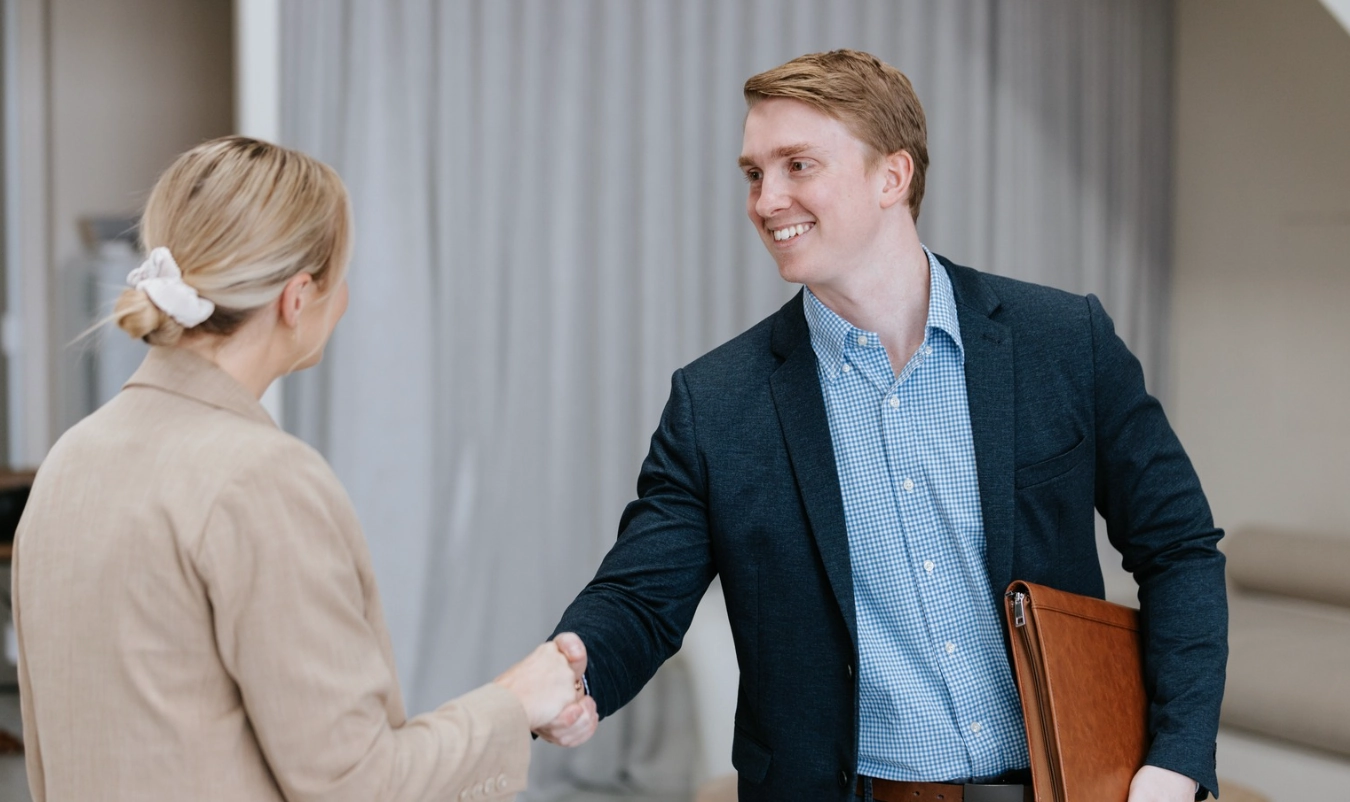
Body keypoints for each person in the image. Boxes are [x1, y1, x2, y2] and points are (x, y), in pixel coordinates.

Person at [544, 50, 1226, 801]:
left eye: (797, 165)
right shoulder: (717, 404)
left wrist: (1179, 759)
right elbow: (641, 596)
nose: (767, 200)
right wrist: (575, 665)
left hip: (1065, 780)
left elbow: (1180, 547)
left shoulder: (1064, 341)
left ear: (891, 177)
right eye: (753, 173)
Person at [12, 136, 596, 802]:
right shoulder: (260, 478)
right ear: (297, 298)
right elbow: (357, 786)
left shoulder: (67, 465)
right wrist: (516, 701)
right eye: (339, 277)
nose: (344, 301)